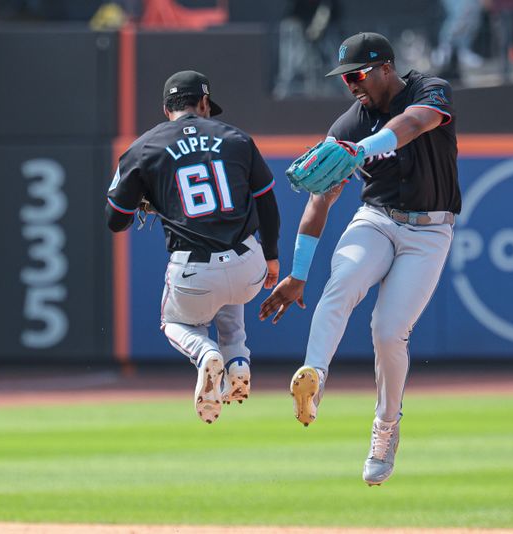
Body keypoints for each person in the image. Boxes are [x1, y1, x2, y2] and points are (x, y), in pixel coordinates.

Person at [260, 32, 460, 486]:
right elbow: (319, 201)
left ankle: (386, 427)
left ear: (385, 67)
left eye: (357, 74)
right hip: (377, 219)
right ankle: (314, 375)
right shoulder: (349, 124)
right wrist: (296, 274)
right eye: (344, 77)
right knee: (341, 283)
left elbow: (415, 123)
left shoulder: (429, 89)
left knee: (388, 332)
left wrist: (362, 149)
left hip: (430, 231)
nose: (350, 84)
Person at [106, 70, 281, 424]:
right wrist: (273, 257)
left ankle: (205, 354)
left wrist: (149, 198)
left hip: (193, 272)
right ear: (203, 103)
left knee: (174, 322)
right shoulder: (237, 139)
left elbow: (116, 219)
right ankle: (238, 361)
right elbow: (267, 203)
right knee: (230, 296)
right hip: (249, 264)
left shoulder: (143, 148)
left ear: (165, 108)